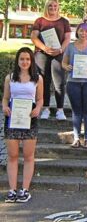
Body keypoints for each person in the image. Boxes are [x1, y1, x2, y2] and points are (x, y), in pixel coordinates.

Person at [2, 47, 44, 203]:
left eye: (27, 59)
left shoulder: (37, 78)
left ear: (31, 61)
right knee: (12, 156)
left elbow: (40, 99)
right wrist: (5, 107)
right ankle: (12, 190)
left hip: (29, 119)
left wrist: (38, 109)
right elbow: (5, 98)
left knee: (28, 156)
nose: (25, 62)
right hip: (12, 119)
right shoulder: (10, 77)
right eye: (22, 59)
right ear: (18, 61)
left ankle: (24, 190)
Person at [62, 21, 87, 148]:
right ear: (77, 32)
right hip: (73, 82)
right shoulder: (70, 46)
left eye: (86, 31)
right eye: (81, 30)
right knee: (76, 110)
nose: (83, 33)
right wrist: (67, 66)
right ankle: (76, 138)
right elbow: (63, 63)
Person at [30, 0, 71, 120]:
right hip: (42, 54)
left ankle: (60, 110)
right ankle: (46, 108)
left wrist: (60, 50)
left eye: (55, 6)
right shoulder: (40, 21)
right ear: (46, 7)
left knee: (59, 82)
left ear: (58, 7)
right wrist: (45, 48)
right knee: (44, 82)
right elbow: (33, 37)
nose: (52, 8)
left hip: (58, 54)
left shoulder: (64, 21)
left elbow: (67, 38)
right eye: (50, 6)